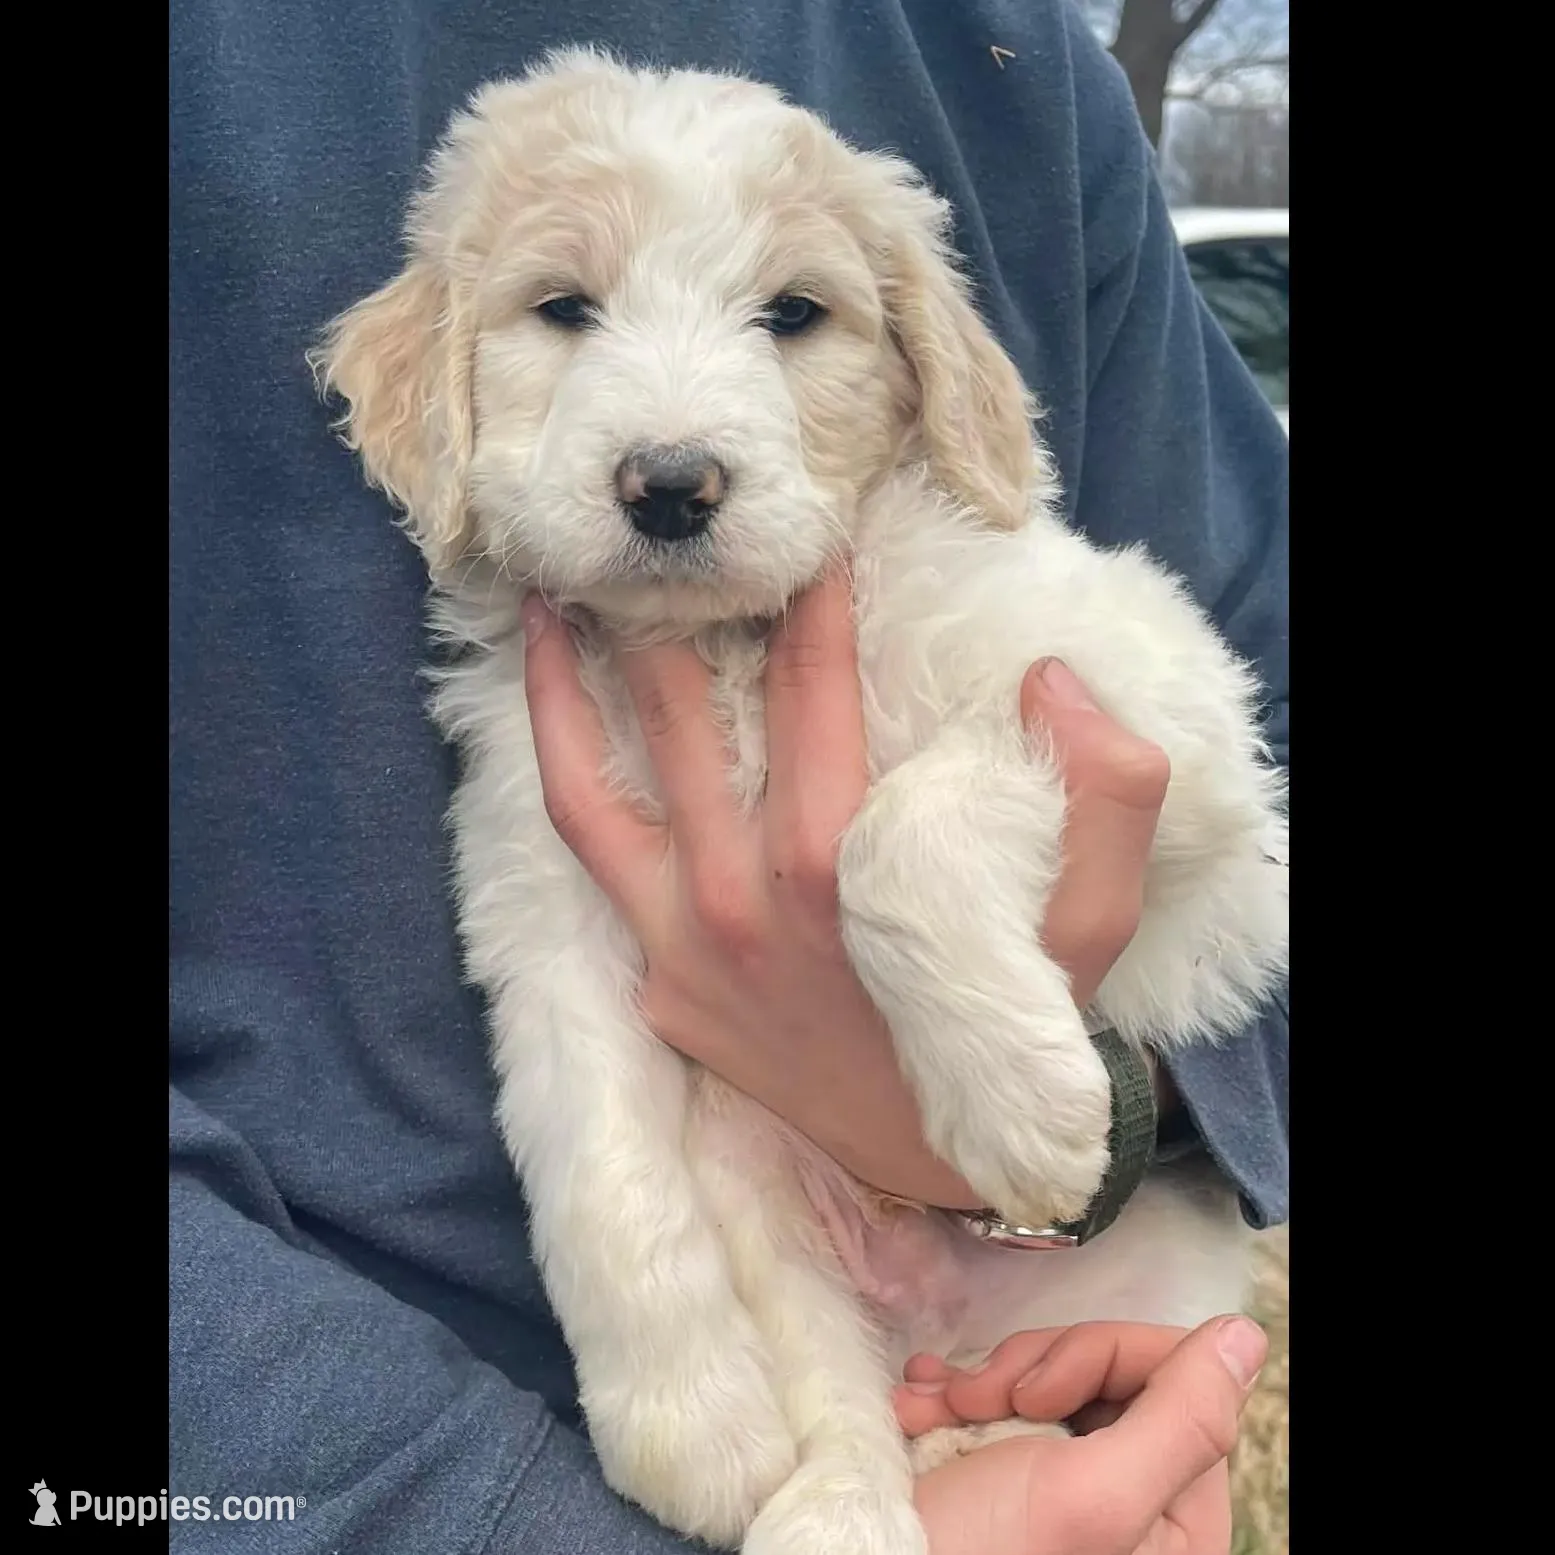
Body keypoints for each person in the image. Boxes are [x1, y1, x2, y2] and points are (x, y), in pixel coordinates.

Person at [169, 0, 1289, 1550]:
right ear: (433, 371)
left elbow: (1219, 751)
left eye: (790, 316)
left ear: (922, 370)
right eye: (562, 303)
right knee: (664, 1096)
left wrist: (989, 1004)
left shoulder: (997, 59)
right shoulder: (527, 668)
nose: (672, 452)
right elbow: (566, 1019)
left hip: (1075, 1366)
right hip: (410, 1451)